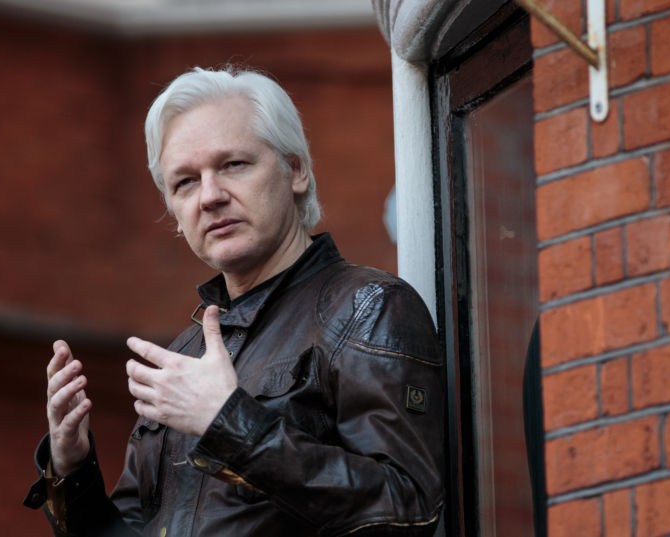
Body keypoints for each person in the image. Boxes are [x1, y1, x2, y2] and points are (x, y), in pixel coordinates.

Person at [24, 66, 445, 536]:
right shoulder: (186, 357)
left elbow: (409, 510)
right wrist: (73, 466)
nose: (209, 196)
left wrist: (228, 423)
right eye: (184, 182)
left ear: (296, 169)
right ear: (176, 216)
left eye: (233, 165)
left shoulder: (369, 307)